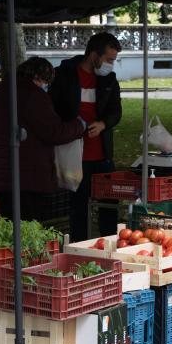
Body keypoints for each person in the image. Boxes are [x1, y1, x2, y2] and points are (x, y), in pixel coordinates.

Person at [0, 57, 86, 220]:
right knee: (26, 223)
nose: (46, 86)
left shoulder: (2, 90)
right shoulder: (33, 95)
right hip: (26, 175)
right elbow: (53, 132)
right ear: (38, 77)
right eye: (46, 82)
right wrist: (79, 125)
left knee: (9, 221)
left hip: (0, 170)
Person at [50, 32, 122, 242]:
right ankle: (79, 247)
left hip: (102, 155)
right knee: (78, 207)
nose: (111, 64)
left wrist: (103, 124)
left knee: (109, 206)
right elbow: (52, 109)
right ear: (93, 55)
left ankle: (110, 246)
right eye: (108, 59)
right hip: (74, 155)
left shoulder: (109, 79)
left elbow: (116, 111)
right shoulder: (64, 75)